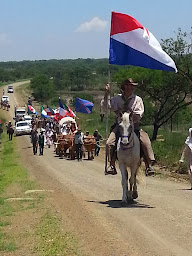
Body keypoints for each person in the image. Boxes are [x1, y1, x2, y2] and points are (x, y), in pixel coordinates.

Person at [105, 78, 155, 175]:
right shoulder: (116, 98)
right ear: (124, 87)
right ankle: (111, 164)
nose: (129, 87)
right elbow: (106, 106)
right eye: (127, 85)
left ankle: (149, 165)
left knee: (145, 141)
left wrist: (130, 119)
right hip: (119, 126)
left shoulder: (137, 99)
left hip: (133, 125)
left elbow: (139, 113)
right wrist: (106, 93)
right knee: (109, 143)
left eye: (131, 85)